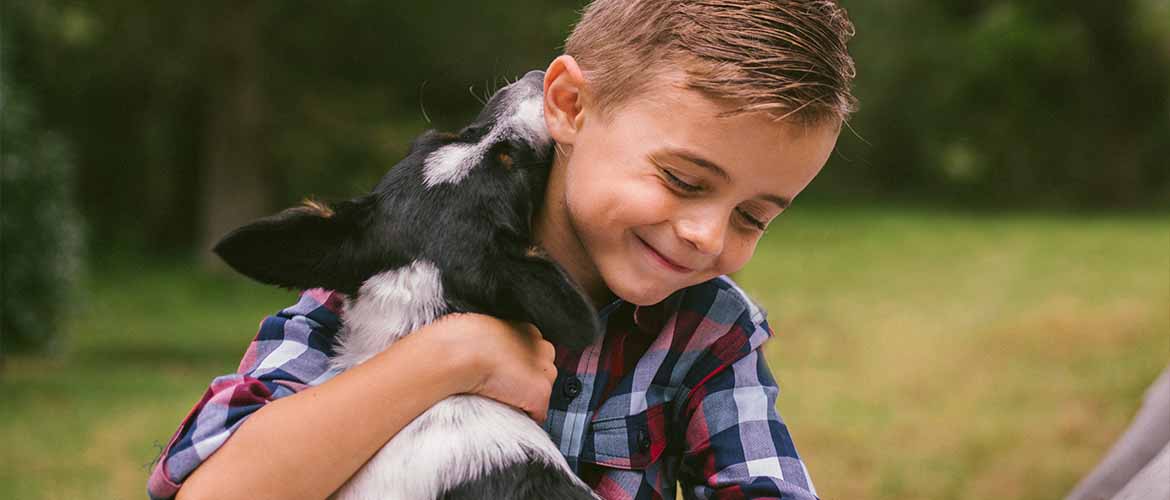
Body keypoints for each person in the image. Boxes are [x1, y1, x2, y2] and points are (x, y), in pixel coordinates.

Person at [148, 1, 857, 499]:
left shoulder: (706, 329)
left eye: (754, 218)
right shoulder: (378, 279)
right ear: (571, 106)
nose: (707, 235)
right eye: (682, 179)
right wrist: (452, 358)